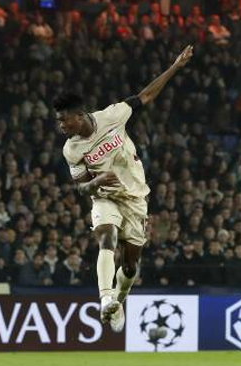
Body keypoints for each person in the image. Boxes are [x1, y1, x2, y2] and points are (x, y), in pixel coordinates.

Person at [53, 45, 194, 333]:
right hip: (105, 199)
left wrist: (176, 66)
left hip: (135, 198)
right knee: (107, 239)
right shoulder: (71, 150)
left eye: (63, 119)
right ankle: (105, 300)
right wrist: (96, 183)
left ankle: (119, 299)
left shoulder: (113, 115)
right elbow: (81, 188)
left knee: (130, 267)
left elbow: (146, 95)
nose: (60, 126)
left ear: (79, 115)